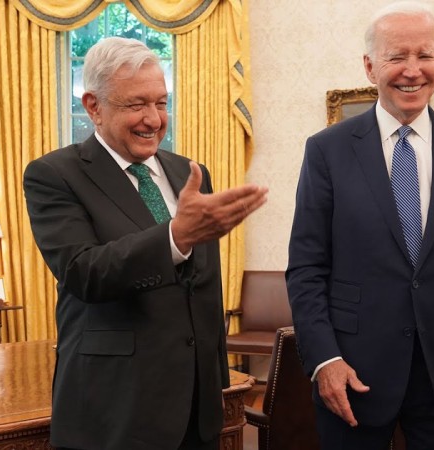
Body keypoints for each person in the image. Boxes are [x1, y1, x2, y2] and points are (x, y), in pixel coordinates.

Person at [286, 2, 434, 449]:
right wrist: (325, 360)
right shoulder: (327, 150)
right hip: (352, 371)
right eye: (397, 56)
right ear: (370, 66)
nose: (413, 70)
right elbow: (306, 268)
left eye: (425, 55)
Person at [23, 37, 268, 450]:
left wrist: (216, 386)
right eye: (136, 105)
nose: (153, 119)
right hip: (115, 410)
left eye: (161, 103)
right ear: (94, 106)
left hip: (197, 409)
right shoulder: (54, 174)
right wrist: (175, 237)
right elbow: (84, 272)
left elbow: (202, 290)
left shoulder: (189, 172)